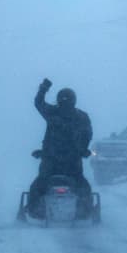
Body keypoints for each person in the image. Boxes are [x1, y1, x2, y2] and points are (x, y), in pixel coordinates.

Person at [26, 78, 93, 219]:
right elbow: (88, 135)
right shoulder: (81, 116)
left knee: (39, 185)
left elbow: (38, 103)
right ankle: (86, 211)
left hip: (51, 161)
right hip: (71, 162)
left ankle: (32, 210)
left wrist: (43, 88)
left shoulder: (52, 112)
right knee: (82, 185)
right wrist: (83, 150)